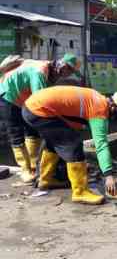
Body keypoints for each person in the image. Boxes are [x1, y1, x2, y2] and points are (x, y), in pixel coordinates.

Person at [22, 86, 117, 205]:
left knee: (56, 141)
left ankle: (46, 180)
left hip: (32, 107)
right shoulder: (100, 109)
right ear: (113, 106)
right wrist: (108, 174)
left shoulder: (96, 97)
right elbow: (101, 144)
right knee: (74, 146)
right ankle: (80, 192)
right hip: (40, 110)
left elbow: (73, 118)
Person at [0, 54, 81, 183]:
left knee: (31, 131)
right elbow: (41, 100)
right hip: (7, 95)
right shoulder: (40, 72)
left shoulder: (50, 71)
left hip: (23, 98)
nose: (69, 75)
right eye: (70, 71)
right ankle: (25, 170)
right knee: (15, 133)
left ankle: (33, 166)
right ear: (64, 66)